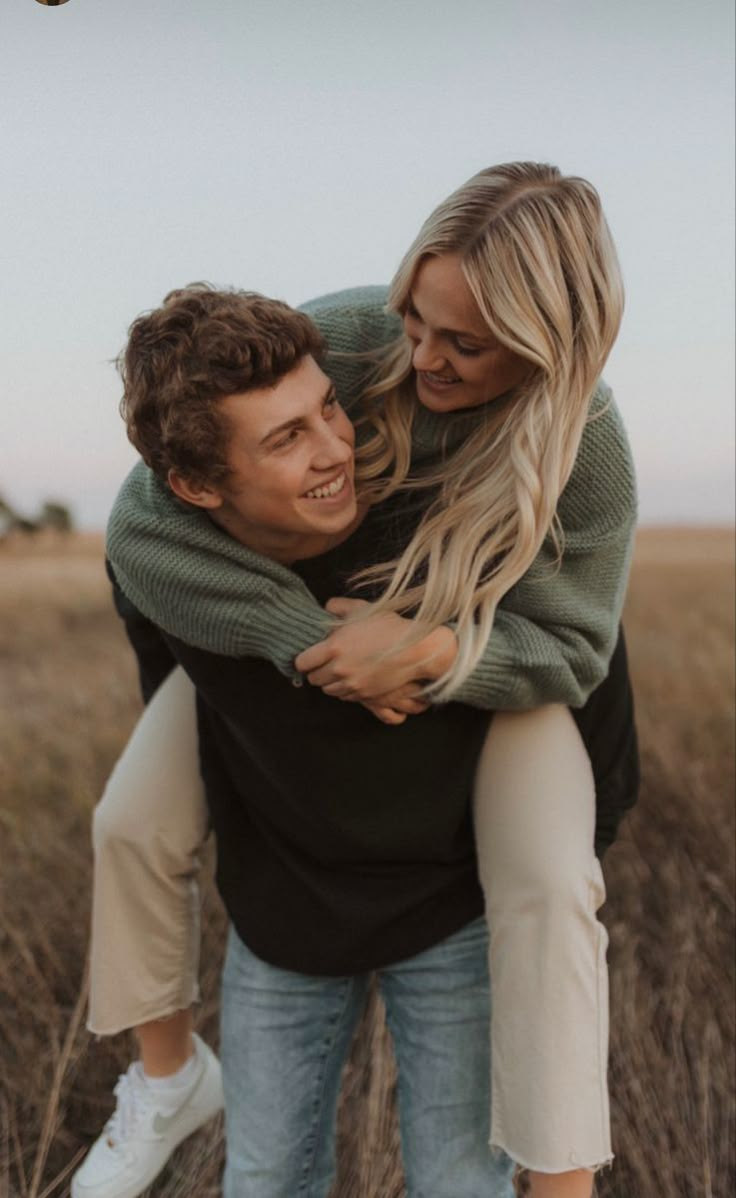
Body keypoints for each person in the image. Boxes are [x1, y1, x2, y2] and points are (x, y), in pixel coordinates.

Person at [76, 162, 638, 1198]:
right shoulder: (345, 341)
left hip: (503, 670)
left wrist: (428, 651)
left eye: (461, 342)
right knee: (128, 822)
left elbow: (574, 651)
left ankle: (562, 1183)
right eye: (412, 316)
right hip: (295, 661)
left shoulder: (586, 445)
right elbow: (142, 521)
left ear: (546, 339)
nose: (420, 355)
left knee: (551, 886)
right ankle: (163, 1077)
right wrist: (311, 640)